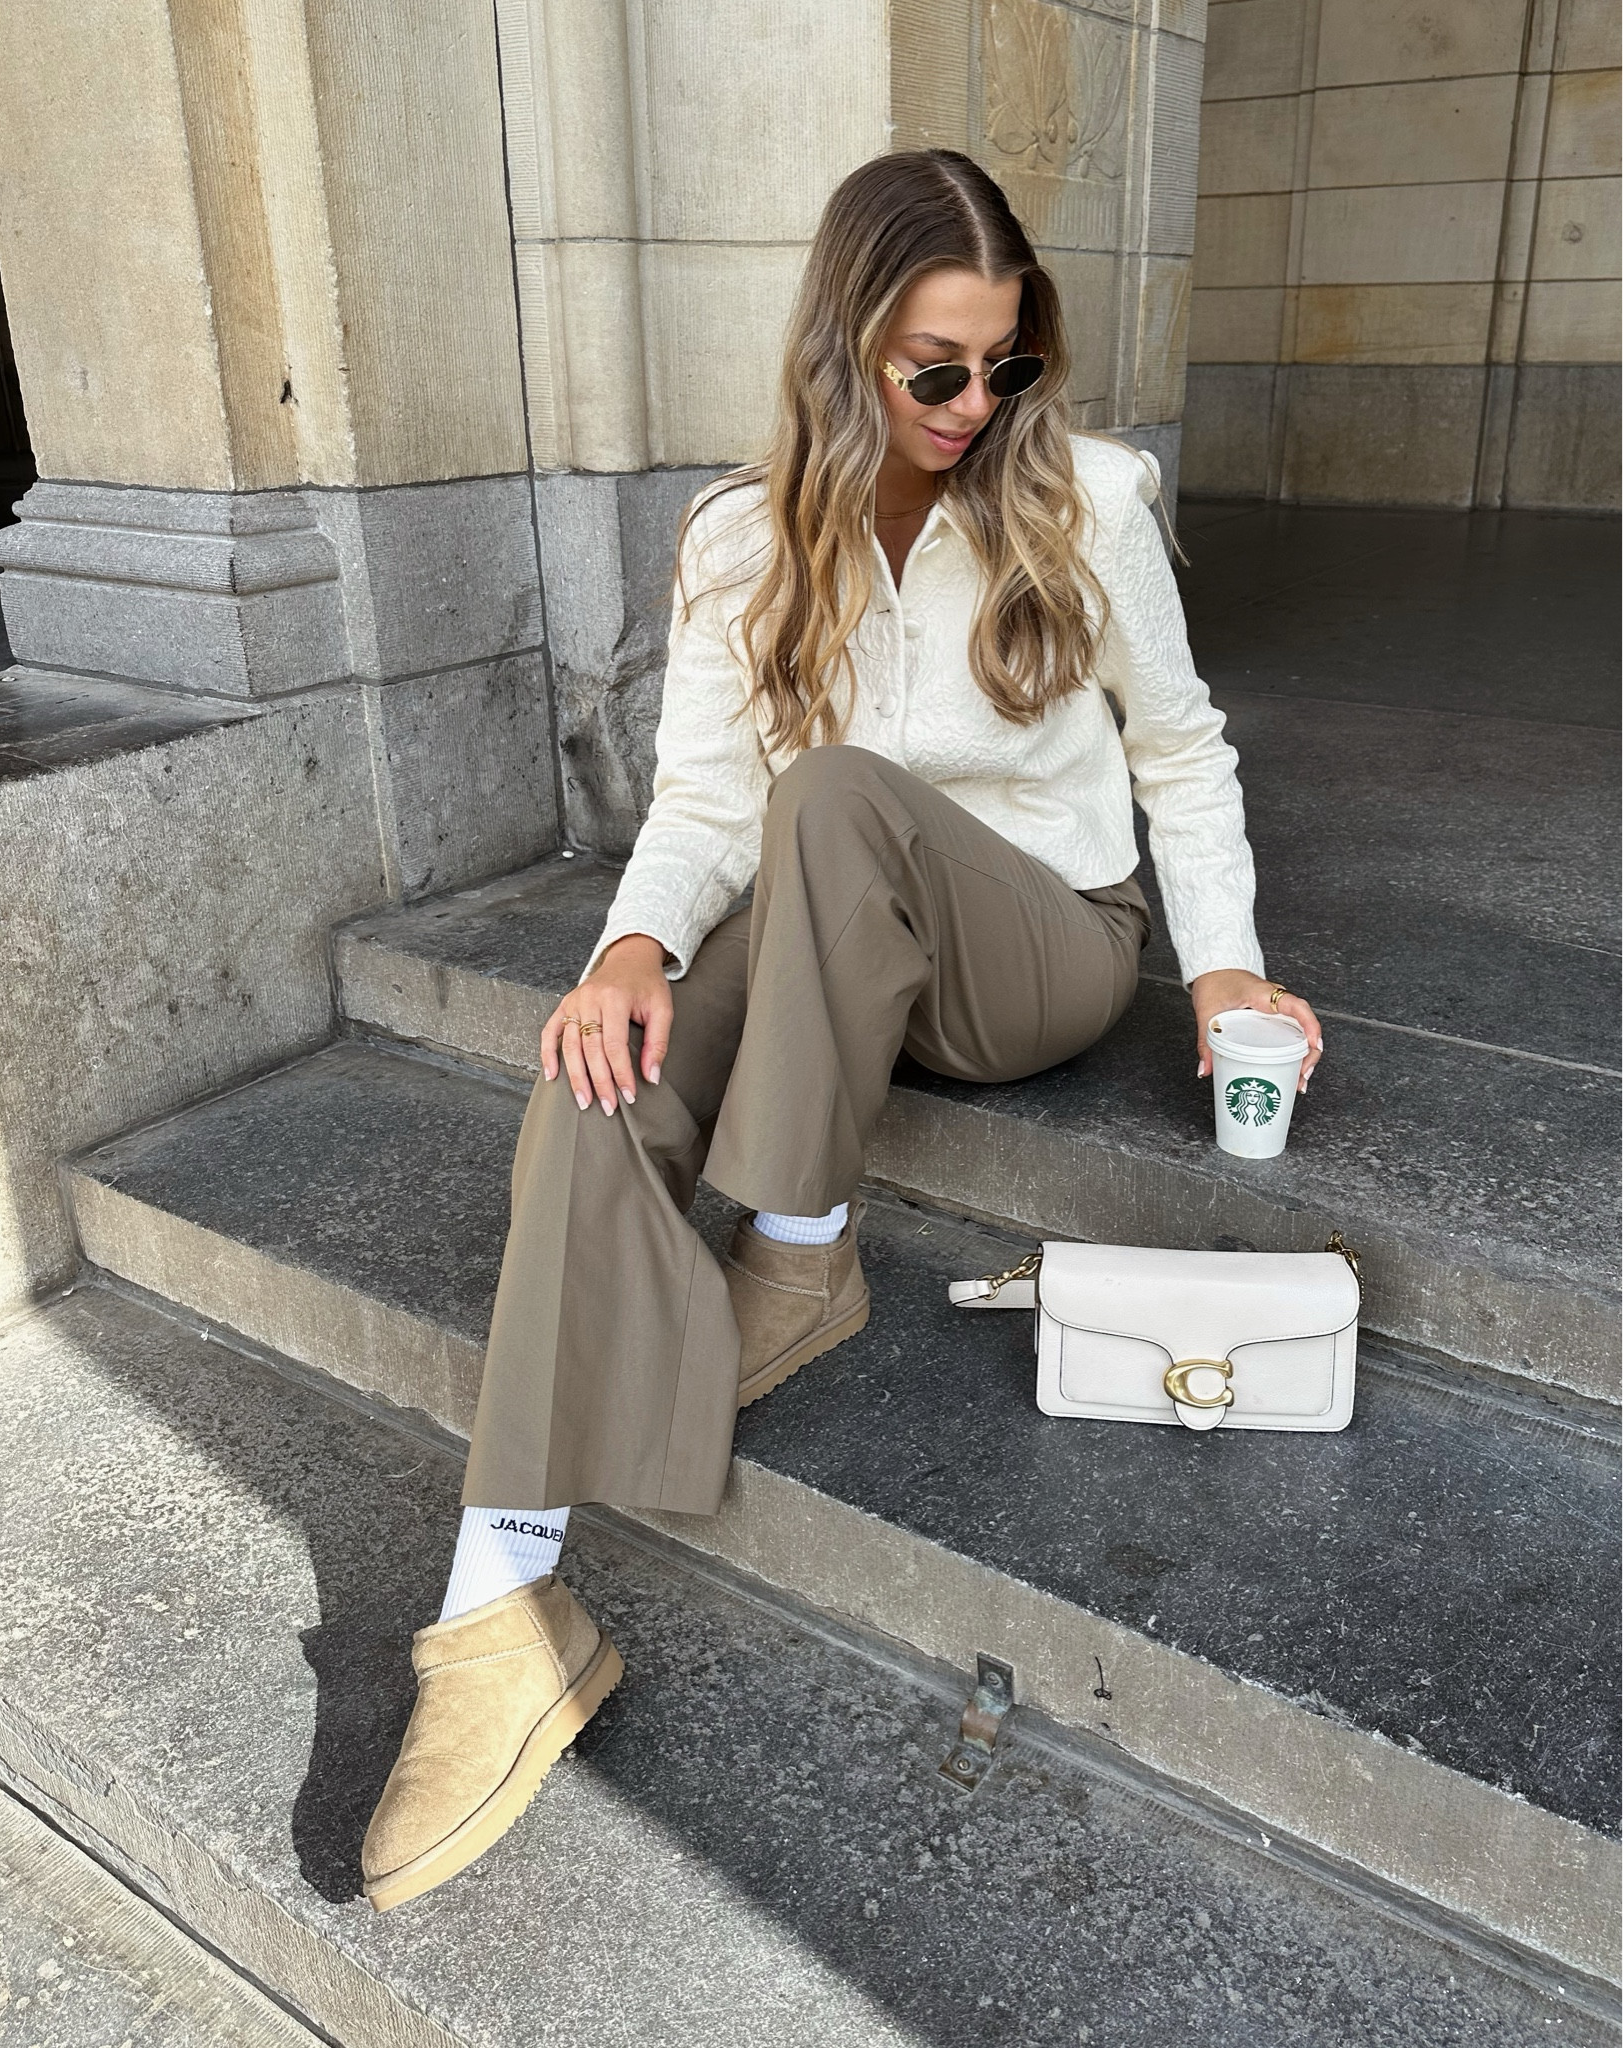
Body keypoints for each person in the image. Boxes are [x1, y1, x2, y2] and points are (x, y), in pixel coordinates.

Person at [359, 147, 1324, 1911]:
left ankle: (798, 1249)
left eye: (1007, 364)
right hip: (828, 935)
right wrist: (632, 945)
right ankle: (499, 1602)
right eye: (933, 369)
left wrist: (1220, 968)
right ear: (842, 342)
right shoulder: (740, 533)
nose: (974, 406)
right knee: (596, 1072)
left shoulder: (1087, 499)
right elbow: (707, 794)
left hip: (1038, 946)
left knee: (838, 793)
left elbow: (1179, 748)